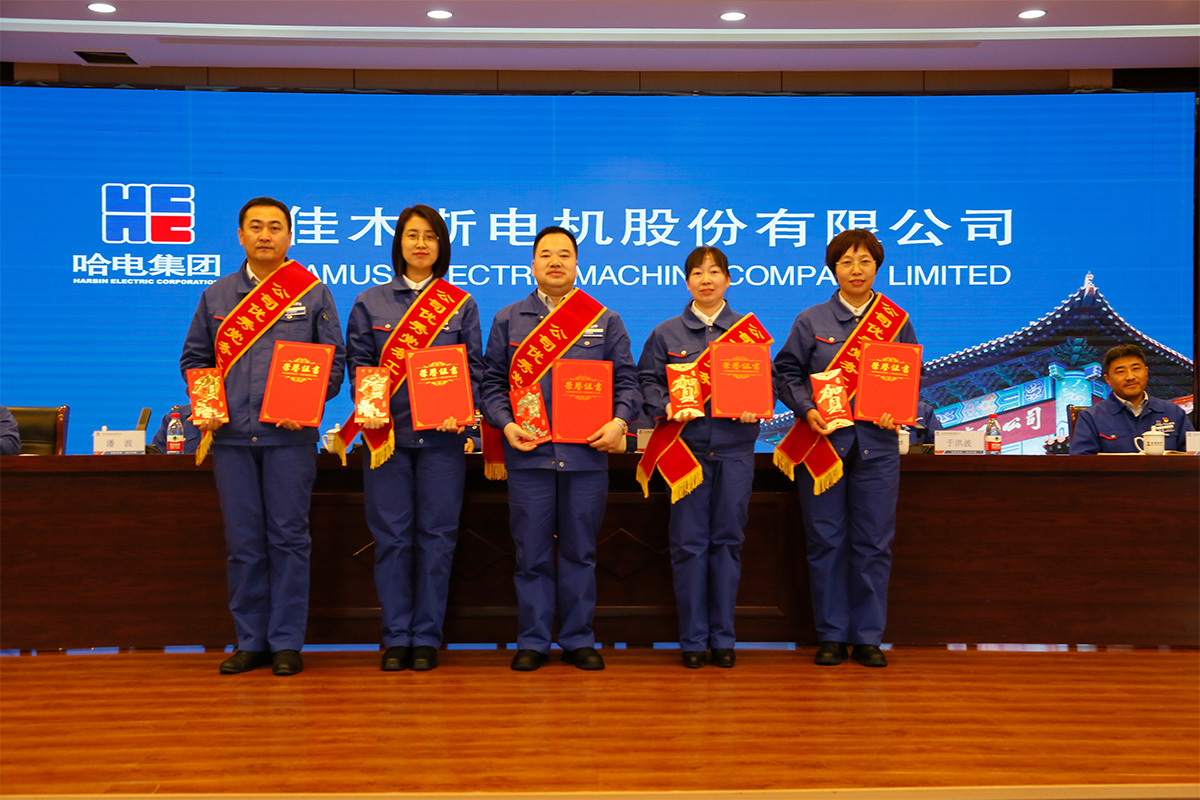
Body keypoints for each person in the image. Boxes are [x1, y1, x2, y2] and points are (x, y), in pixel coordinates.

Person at [180, 197, 345, 677]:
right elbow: (195, 359)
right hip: (232, 440)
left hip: (290, 440)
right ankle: (250, 640)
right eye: (256, 227)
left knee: (289, 540)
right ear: (240, 235)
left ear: (290, 237)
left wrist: (308, 405)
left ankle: (287, 643)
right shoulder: (217, 295)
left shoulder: (312, 293)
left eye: (275, 227)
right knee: (244, 543)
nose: (265, 235)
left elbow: (333, 362)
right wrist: (206, 404)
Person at [480, 226, 641, 672]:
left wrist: (619, 423)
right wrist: (506, 423)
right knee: (530, 554)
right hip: (529, 454)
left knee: (580, 552)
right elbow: (491, 383)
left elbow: (627, 382)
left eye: (564, 254)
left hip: (586, 456)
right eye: (546, 254)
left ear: (576, 264)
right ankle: (532, 640)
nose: (555, 261)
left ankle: (577, 639)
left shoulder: (604, 319)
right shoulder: (509, 319)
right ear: (532, 264)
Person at [344, 205, 483, 672]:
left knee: (437, 539)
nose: (421, 244)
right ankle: (395, 637)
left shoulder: (460, 304)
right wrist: (370, 409)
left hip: (442, 442)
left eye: (430, 236)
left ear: (442, 246)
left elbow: (474, 370)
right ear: (398, 243)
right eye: (411, 235)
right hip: (388, 439)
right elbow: (359, 365)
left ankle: (426, 638)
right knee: (392, 540)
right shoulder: (370, 302)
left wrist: (460, 411)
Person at [773, 229, 917, 669]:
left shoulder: (895, 320)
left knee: (874, 543)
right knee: (826, 541)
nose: (857, 270)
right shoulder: (811, 320)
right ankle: (832, 635)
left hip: (877, 446)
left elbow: (910, 376)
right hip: (823, 445)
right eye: (847, 262)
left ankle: (868, 637)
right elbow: (785, 373)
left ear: (877, 267)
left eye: (865, 262)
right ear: (833, 269)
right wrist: (806, 408)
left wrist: (899, 411)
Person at [636, 246, 767, 669]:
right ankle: (692, 640)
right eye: (697, 273)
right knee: (688, 545)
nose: (706, 280)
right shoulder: (666, 333)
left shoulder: (748, 334)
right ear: (687, 281)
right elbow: (646, 381)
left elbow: (765, 384)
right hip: (684, 450)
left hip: (734, 450)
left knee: (728, 543)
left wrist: (755, 407)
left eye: (714, 272)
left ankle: (723, 639)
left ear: (728, 279)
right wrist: (665, 405)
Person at [1070, 344, 1194, 454]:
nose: (1130, 377)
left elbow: (1196, 453)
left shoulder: (1174, 412)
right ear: (1108, 379)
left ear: (1146, 372)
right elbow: (1080, 463)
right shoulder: (1090, 417)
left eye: (1136, 369)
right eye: (1120, 371)